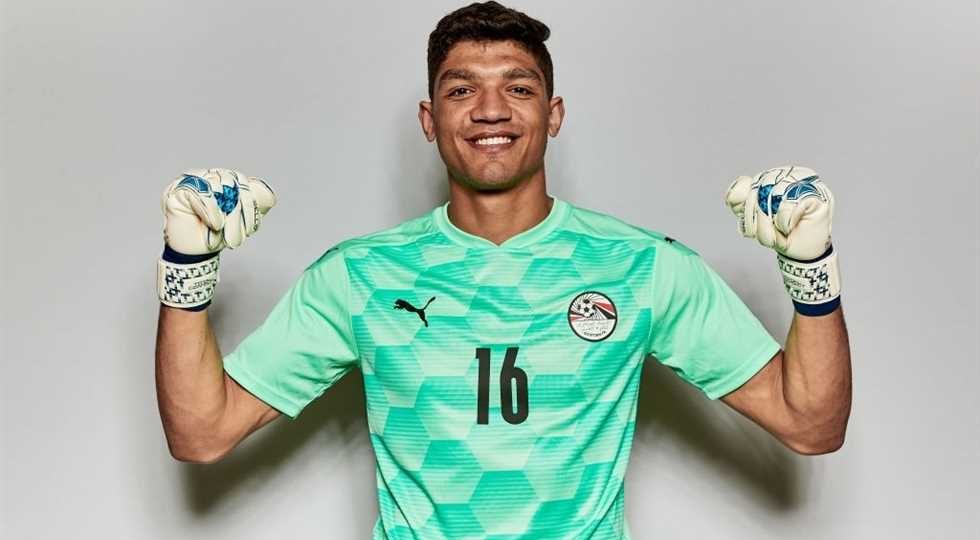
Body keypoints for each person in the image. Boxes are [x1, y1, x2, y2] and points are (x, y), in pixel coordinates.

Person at [155, 2, 852, 538]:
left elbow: (810, 424)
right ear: (430, 120)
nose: (491, 109)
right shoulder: (358, 275)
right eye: (462, 91)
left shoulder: (644, 267)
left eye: (518, 88)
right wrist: (188, 265)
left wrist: (809, 268)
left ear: (553, 114)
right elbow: (201, 432)